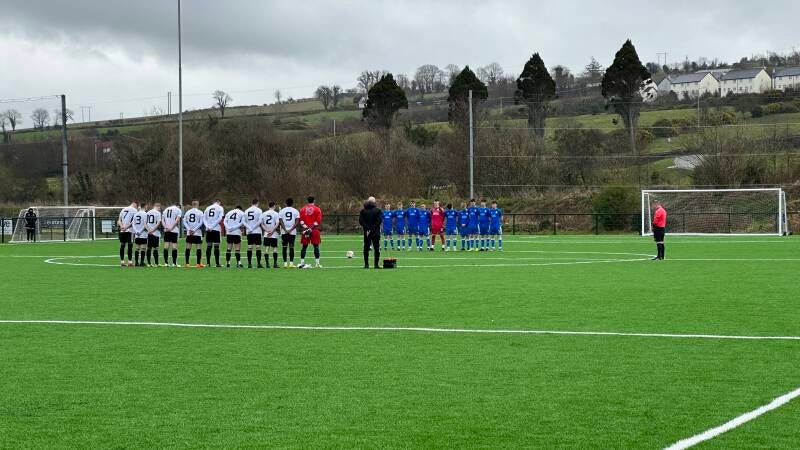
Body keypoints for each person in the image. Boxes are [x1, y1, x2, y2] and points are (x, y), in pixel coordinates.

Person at [298, 196, 323, 268]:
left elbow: (301, 221)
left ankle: (302, 263)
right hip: (314, 230)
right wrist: (311, 228)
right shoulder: (317, 209)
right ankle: (317, 264)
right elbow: (318, 221)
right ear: (314, 200)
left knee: (304, 246)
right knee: (316, 246)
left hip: (305, 230)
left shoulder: (302, 209)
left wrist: (306, 228)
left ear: (307, 201)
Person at [359, 196, 383, 269]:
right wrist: (372, 228)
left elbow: (361, 221)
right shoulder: (378, 211)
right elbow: (379, 221)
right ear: (374, 202)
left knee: (366, 248)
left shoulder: (363, 211)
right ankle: (376, 264)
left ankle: (366, 264)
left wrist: (368, 228)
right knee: (376, 248)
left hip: (367, 232)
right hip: (375, 232)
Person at [279, 198, 300, 268]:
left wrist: (285, 229)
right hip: (292, 232)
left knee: (284, 247)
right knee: (291, 247)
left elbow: (280, 220)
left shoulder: (282, 211)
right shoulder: (295, 211)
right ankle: (291, 263)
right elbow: (297, 221)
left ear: (286, 203)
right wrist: (291, 229)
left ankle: (285, 263)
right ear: (292, 203)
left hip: (284, 232)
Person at [183, 200, 205, 267]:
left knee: (188, 247)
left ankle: (187, 263)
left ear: (192, 205)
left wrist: (189, 229)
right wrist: (194, 230)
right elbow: (201, 222)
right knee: (198, 247)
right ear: (197, 205)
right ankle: (198, 263)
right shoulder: (200, 212)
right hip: (197, 233)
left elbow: (184, 221)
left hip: (189, 233)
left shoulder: (188, 212)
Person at [203, 200, 224, 268]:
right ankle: (217, 263)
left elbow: (204, 219)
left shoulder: (207, 208)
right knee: (216, 247)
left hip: (208, 229)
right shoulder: (220, 208)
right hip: (216, 229)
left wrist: (208, 226)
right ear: (218, 202)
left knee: (209, 246)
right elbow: (220, 218)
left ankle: (208, 263)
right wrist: (212, 226)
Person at [243, 199, 264, 268]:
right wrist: (254, 228)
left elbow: (243, 222)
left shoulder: (246, 210)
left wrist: (249, 228)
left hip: (249, 232)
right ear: (257, 203)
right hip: (257, 231)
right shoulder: (259, 210)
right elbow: (260, 221)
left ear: (251, 203)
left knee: (250, 247)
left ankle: (249, 264)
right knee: (258, 247)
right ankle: (258, 264)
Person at [116, 202, 138, 267]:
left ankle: (122, 261)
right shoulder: (135, 210)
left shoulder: (123, 209)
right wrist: (126, 227)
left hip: (122, 230)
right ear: (135, 205)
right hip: (130, 231)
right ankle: (130, 262)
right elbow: (133, 221)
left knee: (122, 245)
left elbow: (119, 220)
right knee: (130, 246)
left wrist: (122, 226)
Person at [260, 202, 281, 269]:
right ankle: (275, 264)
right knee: (275, 248)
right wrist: (272, 231)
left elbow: (261, 223)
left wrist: (266, 230)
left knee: (266, 248)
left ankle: (267, 264)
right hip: (273, 234)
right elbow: (277, 223)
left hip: (266, 234)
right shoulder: (276, 213)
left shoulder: (264, 213)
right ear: (274, 206)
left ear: (268, 206)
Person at [162, 202, 182, 267]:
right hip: (174, 230)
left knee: (166, 246)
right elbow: (177, 221)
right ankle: (174, 263)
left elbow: (162, 220)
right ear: (177, 206)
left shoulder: (166, 209)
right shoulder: (178, 210)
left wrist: (165, 227)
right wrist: (171, 228)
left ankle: (166, 263)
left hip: (167, 230)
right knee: (174, 247)